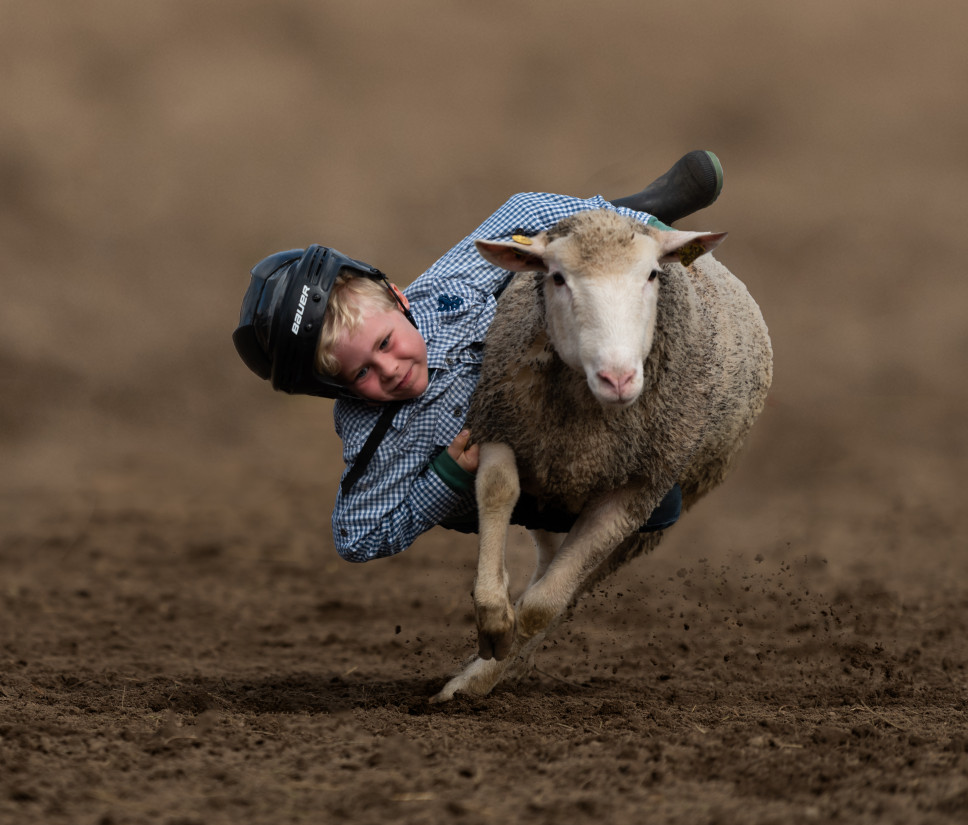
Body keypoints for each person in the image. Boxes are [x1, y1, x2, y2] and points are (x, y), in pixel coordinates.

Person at [233, 151, 724, 562]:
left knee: (550, 267)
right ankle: (543, 502)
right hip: (523, 464)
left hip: (549, 379)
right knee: (651, 507)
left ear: (399, 298)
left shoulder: (442, 292)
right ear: (338, 391)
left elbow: (522, 208)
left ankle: (631, 214)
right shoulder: (376, 435)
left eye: (385, 344)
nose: (391, 369)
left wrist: (625, 228)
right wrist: (443, 480)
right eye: (361, 372)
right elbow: (355, 537)